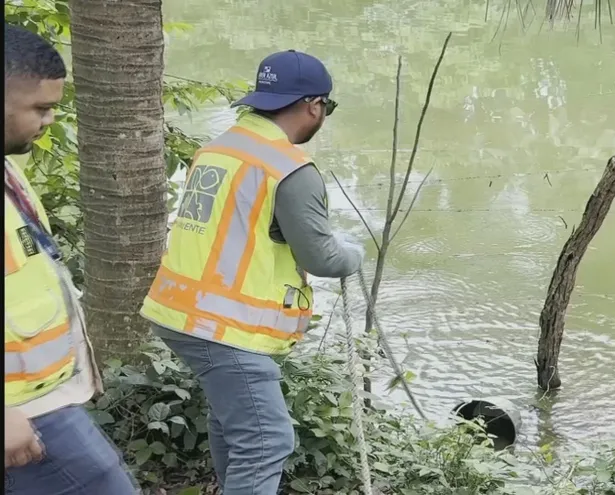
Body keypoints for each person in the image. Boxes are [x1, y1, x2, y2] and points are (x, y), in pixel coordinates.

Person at [140, 49, 364, 495]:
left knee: (233, 424)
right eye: (327, 107)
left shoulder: (218, 149)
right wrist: (354, 254)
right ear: (313, 105)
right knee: (266, 442)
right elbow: (321, 256)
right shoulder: (289, 167)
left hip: (178, 309)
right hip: (224, 327)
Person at [4, 25, 139, 494]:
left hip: (38, 399)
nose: (49, 121)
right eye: (40, 108)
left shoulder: (7, 170)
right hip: (23, 414)